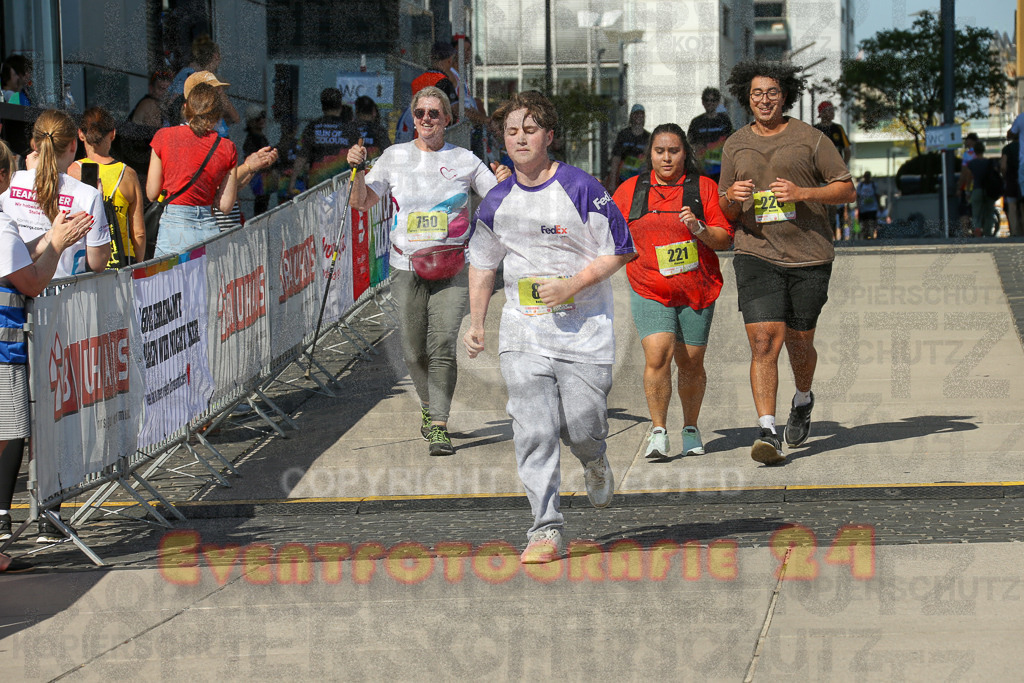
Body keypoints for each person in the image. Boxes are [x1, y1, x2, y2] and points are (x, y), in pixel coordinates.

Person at [463, 90, 636, 564]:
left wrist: (572, 285)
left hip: (585, 333)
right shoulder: (496, 201)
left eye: (530, 129)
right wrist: (477, 323)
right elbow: (482, 263)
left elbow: (620, 248)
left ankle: (594, 458)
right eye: (511, 131)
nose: (520, 138)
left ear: (549, 136)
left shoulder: (581, 187)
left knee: (581, 426)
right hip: (523, 332)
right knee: (534, 430)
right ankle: (545, 529)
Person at [347, 86, 503, 456]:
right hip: (406, 267)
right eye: (420, 113)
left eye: (434, 113)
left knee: (443, 345)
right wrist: (355, 170)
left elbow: (499, 196)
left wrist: (504, 178)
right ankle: (429, 405)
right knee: (413, 352)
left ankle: (439, 424)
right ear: (413, 119)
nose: (427, 119)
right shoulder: (395, 156)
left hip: (452, 267)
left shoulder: (463, 159)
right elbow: (361, 202)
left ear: (447, 118)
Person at [719, 60, 855, 466]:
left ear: (785, 97)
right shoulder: (735, 145)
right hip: (755, 252)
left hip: (808, 255)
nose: (764, 100)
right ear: (747, 99)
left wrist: (802, 193)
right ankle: (767, 431)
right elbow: (725, 206)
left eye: (772, 93)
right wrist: (733, 198)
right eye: (757, 94)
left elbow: (846, 189)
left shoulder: (811, 139)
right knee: (764, 342)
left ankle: (803, 398)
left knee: (799, 343)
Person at [611, 123, 733, 459]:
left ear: (685, 154)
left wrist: (699, 228)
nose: (666, 158)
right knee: (657, 355)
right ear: (650, 154)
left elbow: (724, 239)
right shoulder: (632, 189)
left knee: (690, 363)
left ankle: (690, 428)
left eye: (674, 151)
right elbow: (607, 231)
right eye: (660, 151)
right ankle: (659, 432)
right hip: (648, 286)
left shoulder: (703, 187)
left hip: (697, 288)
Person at [0, 139, 94, 549]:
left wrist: (51, 237)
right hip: (4, 348)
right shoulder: (1, 223)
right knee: (10, 433)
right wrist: (57, 244)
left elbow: (14, 258)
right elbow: (32, 281)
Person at [0, 110, 111, 279]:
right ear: (73, 145)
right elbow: (98, 262)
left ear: (35, 144)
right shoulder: (88, 195)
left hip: (14, 286)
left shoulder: (9, 182)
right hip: (65, 290)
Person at [147, 81, 238, 256]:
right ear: (217, 115)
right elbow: (225, 206)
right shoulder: (227, 147)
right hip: (209, 229)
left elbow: (152, 193)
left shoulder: (163, 137)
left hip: (174, 228)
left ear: (185, 107)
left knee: (170, 275)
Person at [68, 107, 147, 266]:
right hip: (122, 259)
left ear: (81, 134)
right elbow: (138, 232)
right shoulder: (128, 174)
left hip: (86, 259)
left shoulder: (72, 171)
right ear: (113, 134)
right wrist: (138, 264)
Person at [168, 36, 238, 137]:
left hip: (194, 133)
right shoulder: (194, 77)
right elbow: (235, 117)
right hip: (204, 135)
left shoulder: (187, 74)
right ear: (216, 56)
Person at [291, 88, 351, 193]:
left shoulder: (312, 127)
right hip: (343, 187)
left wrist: (292, 183)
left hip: (317, 187)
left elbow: (301, 157)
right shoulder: (350, 129)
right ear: (340, 105)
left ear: (322, 106)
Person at [814, 101, 852, 240]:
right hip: (819, 173)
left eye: (832, 110)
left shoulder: (838, 129)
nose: (831, 113)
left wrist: (843, 166)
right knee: (821, 204)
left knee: (834, 205)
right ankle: (823, 234)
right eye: (828, 110)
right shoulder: (815, 130)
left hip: (835, 174)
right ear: (821, 113)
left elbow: (847, 150)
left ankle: (833, 233)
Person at [687, 87, 733, 183]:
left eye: (713, 100)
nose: (709, 103)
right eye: (707, 100)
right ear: (703, 102)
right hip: (702, 167)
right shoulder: (696, 122)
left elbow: (730, 142)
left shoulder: (724, 120)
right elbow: (690, 143)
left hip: (720, 167)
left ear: (717, 102)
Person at [606, 104, 650, 193]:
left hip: (640, 180)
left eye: (641, 114)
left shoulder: (648, 137)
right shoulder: (623, 135)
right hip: (623, 179)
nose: (639, 116)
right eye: (636, 114)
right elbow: (616, 159)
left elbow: (648, 161)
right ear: (631, 116)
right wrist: (612, 182)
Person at [958, 140, 998, 238]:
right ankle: (988, 233)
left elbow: (968, 177)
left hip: (976, 190)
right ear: (983, 150)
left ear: (975, 151)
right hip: (989, 191)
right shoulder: (989, 162)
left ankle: (977, 231)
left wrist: (968, 191)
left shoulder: (972, 163)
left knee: (976, 213)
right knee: (989, 213)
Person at [243, 106, 271, 216]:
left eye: (263, 116)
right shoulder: (251, 140)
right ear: (251, 122)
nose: (262, 120)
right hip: (258, 176)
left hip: (264, 176)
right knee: (261, 203)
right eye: (258, 118)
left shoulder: (261, 137)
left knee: (264, 202)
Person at [352, 95, 392, 164]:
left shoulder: (350, 129)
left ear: (356, 112)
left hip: (351, 168)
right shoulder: (379, 131)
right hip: (373, 167)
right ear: (374, 112)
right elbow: (388, 153)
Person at [1001, 131, 1024, 237]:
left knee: (1012, 207)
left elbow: (1003, 166)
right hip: (1022, 181)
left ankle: (1014, 232)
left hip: (1011, 181)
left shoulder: (1007, 149)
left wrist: (1004, 175)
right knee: (1023, 206)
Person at [855, 171, 880, 240]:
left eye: (868, 176)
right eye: (866, 176)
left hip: (872, 208)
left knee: (871, 222)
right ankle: (865, 236)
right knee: (864, 223)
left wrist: (879, 205)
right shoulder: (860, 185)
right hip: (863, 208)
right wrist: (858, 206)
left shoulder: (873, 185)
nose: (867, 178)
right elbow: (858, 196)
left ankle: (871, 235)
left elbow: (877, 195)